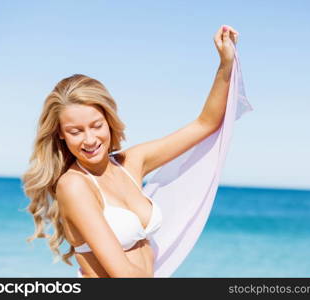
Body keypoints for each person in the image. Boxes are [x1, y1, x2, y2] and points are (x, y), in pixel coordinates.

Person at [22, 25, 240, 278]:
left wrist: (226, 63)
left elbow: (205, 124)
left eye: (96, 125)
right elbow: (122, 274)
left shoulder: (130, 162)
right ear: (60, 133)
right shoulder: (74, 186)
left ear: (109, 120)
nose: (90, 139)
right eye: (75, 131)